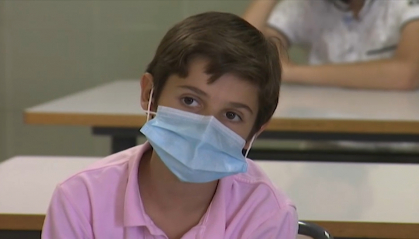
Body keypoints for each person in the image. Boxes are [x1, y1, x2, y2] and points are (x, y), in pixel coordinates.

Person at [41, 12, 298, 239]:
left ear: (255, 131)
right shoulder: (82, 201)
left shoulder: (266, 214)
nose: (205, 128)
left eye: (231, 115)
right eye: (190, 100)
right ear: (148, 93)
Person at [244, 0, 419, 90]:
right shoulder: (308, 6)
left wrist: (292, 73)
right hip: (322, 138)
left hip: (397, 144)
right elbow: (241, 52)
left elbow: (408, 74)